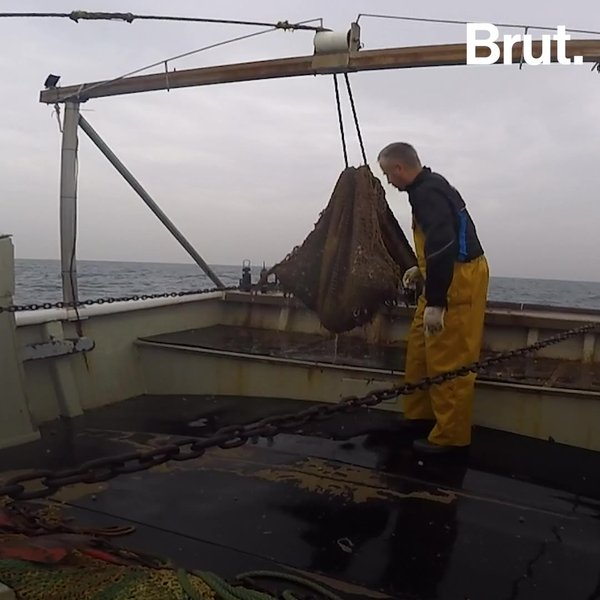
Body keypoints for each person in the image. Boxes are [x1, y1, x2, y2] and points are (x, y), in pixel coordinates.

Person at [377, 142, 489, 454]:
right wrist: (422, 271)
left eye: (388, 174)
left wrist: (438, 302)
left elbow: (443, 244)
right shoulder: (429, 187)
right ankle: (421, 418)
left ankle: (450, 438)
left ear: (400, 168)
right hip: (441, 276)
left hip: (457, 281)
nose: (388, 181)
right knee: (420, 351)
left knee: (448, 360)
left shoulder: (427, 193)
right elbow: (442, 240)